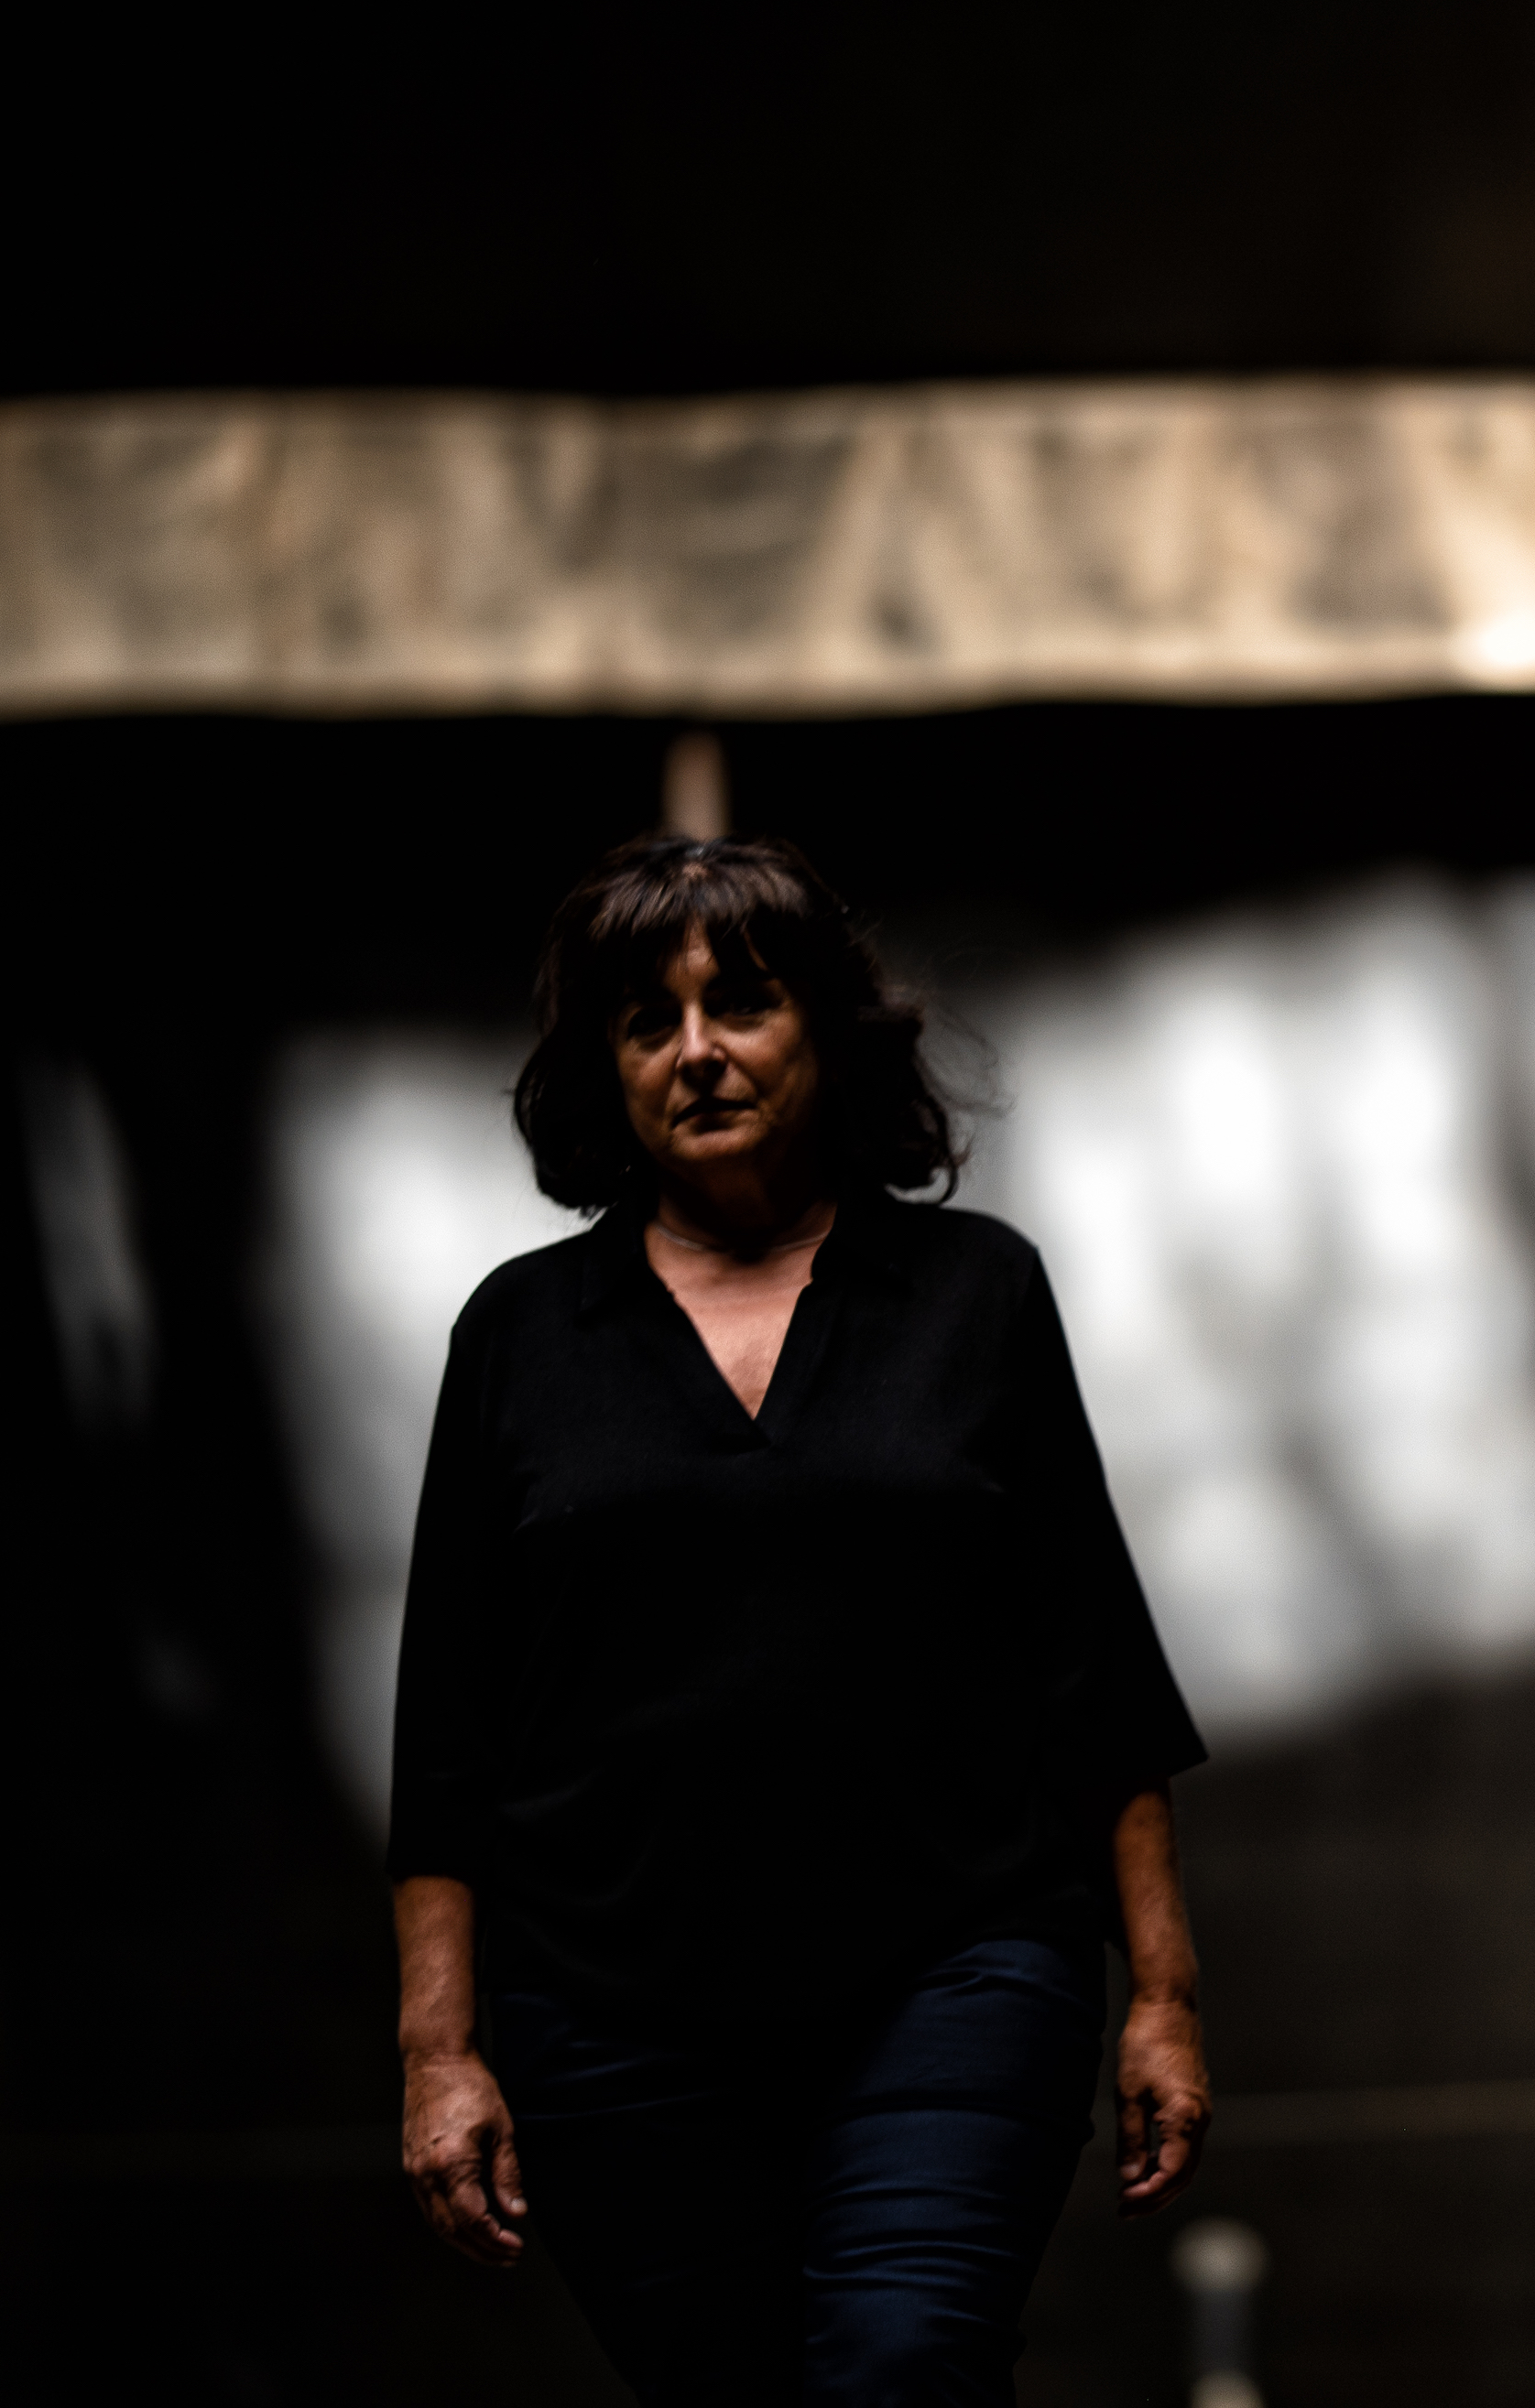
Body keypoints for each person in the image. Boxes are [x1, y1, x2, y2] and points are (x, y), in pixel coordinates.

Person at [388, 835, 1212, 2406]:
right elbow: (448, 1736)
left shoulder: (977, 1293)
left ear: (825, 1030)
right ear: (607, 1069)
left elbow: (1095, 1669)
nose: (697, 1051)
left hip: (957, 1969)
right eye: (649, 1021)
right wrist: (440, 2050)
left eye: (744, 1003)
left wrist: (1165, 1997)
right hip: (614, 2015)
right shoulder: (517, 1336)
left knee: (903, 2366)